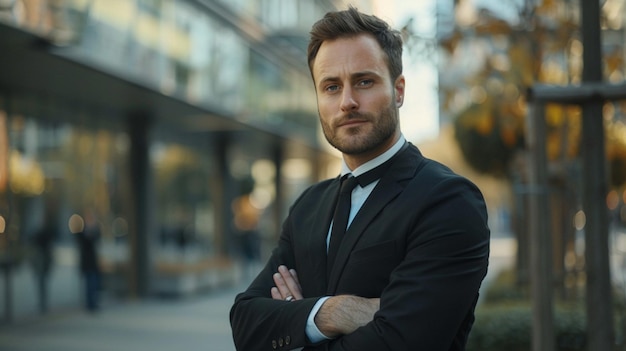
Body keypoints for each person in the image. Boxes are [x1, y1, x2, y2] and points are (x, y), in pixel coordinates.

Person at [230, 7, 490, 351]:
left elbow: (403, 342)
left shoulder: (448, 200)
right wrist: (334, 312)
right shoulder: (307, 206)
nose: (347, 102)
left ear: (398, 90)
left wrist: (298, 321)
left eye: (364, 82)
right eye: (331, 87)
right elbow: (246, 322)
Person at [75, 208, 101, 312]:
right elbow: (80, 240)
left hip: (93, 262)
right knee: (88, 284)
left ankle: (93, 303)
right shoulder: (82, 231)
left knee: (93, 283)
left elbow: (96, 238)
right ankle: (89, 304)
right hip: (86, 262)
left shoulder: (95, 230)